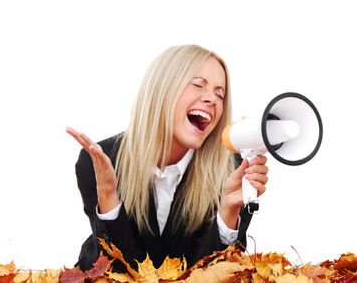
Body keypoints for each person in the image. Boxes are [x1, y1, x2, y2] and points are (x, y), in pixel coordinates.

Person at [66, 44, 269, 271]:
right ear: (162, 89)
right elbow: (120, 270)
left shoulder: (234, 171)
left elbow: (211, 275)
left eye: (219, 94)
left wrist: (228, 211)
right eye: (198, 85)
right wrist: (108, 197)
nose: (212, 99)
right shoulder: (98, 162)